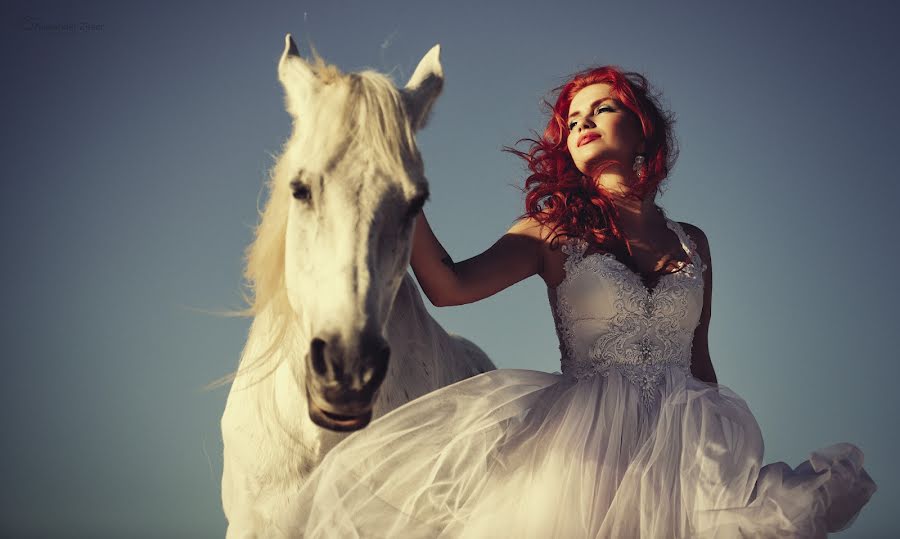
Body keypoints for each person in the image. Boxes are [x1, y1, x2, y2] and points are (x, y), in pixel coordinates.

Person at [286, 66, 877, 538]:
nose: (584, 122)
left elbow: (701, 362)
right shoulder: (549, 231)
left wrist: (727, 457)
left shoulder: (693, 243)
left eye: (603, 107)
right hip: (582, 454)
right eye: (572, 119)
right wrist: (402, 194)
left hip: (690, 454)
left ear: (643, 128)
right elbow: (448, 286)